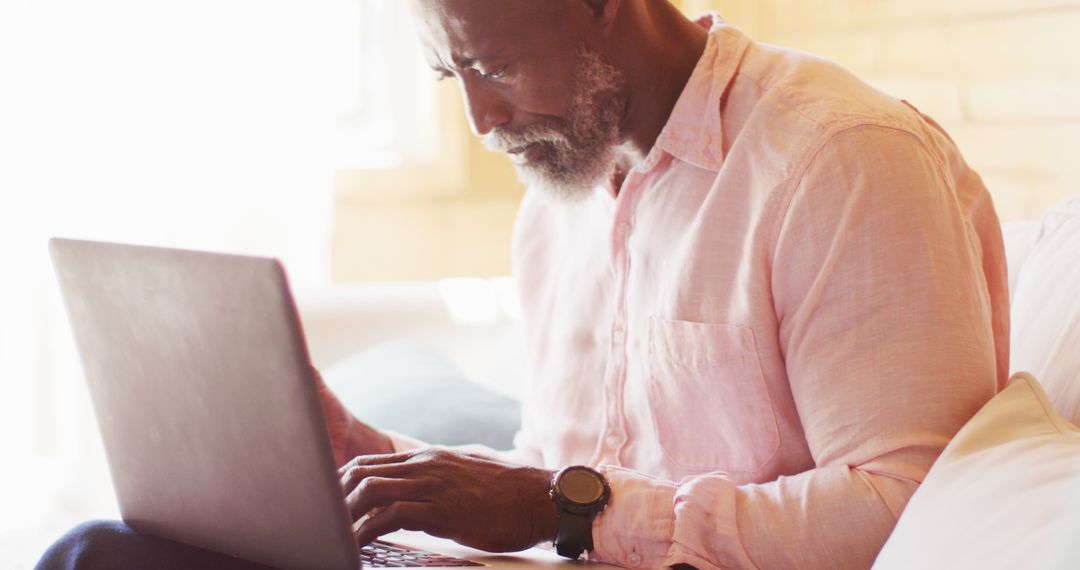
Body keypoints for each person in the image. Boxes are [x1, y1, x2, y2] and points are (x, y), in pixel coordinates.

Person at [38, 0, 1009, 568]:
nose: (478, 119)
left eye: (493, 63)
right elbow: (558, 472)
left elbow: (910, 503)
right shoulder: (559, 200)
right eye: (445, 73)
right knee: (112, 550)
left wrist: (565, 506)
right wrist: (379, 457)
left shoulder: (841, 160)